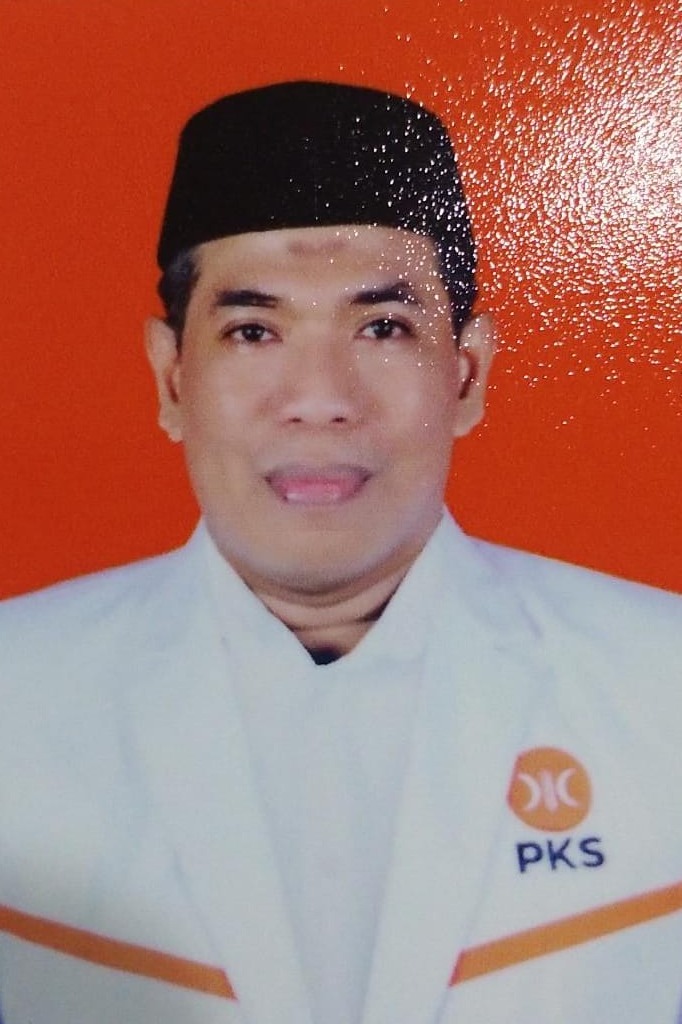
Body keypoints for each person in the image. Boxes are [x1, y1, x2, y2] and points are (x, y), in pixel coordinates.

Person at [0, 81, 680, 1024]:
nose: (319, 399)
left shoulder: (662, 684)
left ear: (468, 374)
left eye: (382, 327)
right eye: (253, 331)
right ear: (171, 378)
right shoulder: (16, 692)